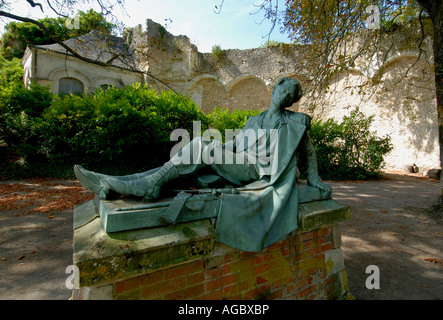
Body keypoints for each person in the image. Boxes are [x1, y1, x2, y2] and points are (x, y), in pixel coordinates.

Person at [75, 77, 331, 252]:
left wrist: (315, 180)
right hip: (238, 161)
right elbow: (232, 145)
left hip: (256, 171)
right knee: (190, 159)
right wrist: (214, 152)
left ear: (290, 102)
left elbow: (308, 153)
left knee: (199, 146)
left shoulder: (295, 123)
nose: (284, 96)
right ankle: (117, 183)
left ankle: (137, 184)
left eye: (289, 96)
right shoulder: (254, 120)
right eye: (282, 90)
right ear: (274, 90)